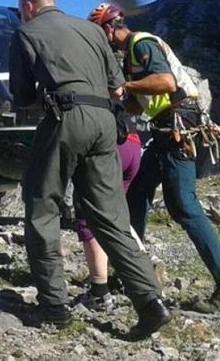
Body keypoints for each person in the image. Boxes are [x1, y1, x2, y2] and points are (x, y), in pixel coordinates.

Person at [9, 0, 170, 336]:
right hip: (105, 124)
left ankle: (54, 306)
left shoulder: (26, 32)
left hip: (65, 118)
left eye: (22, 10)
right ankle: (149, 301)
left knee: (42, 206)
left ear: (28, 7)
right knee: (111, 216)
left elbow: (20, 96)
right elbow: (116, 84)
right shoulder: (93, 32)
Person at [88, 3, 220, 313]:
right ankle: (133, 272)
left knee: (183, 205)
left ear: (108, 29)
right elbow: (138, 104)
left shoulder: (140, 43)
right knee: (135, 197)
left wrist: (124, 86)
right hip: (164, 129)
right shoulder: (131, 59)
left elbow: (166, 83)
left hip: (178, 125)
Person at [73, 132, 143, 312]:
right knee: (114, 212)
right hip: (133, 144)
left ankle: (99, 292)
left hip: (109, 146)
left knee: (89, 215)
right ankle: (144, 282)